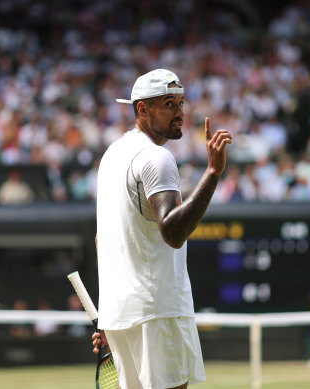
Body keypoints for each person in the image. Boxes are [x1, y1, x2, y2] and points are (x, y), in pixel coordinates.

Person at [91, 68, 232, 389]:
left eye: (181, 103)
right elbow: (173, 232)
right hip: (157, 309)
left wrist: (109, 314)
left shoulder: (112, 155)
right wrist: (212, 172)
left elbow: (103, 240)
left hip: (120, 314)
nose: (180, 112)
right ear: (142, 109)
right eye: (169, 104)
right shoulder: (157, 158)